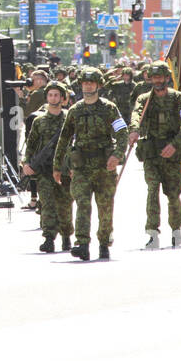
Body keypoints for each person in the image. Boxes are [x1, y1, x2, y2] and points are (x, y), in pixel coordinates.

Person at [53, 68, 127, 261]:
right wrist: (57, 166)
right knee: (82, 204)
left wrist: (117, 155)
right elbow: (64, 139)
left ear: (98, 85)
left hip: (104, 167)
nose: (87, 86)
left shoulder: (109, 108)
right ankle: (83, 244)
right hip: (81, 167)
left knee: (105, 207)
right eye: (85, 83)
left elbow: (122, 134)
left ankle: (104, 243)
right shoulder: (75, 110)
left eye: (91, 83)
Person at [128, 62, 181, 249]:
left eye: (160, 77)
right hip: (151, 153)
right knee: (152, 189)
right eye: (154, 77)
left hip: (171, 153)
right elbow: (136, 115)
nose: (157, 81)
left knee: (173, 193)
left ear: (166, 78)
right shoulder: (144, 99)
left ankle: (176, 229)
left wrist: (175, 144)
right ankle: (152, 232)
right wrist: (133, 130)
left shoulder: (178, 98)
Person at [23, 80, 70, 253]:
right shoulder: (39, 120)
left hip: (65, 169)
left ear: (63, 98)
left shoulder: (69, 118)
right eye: (50, 95)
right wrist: (27, 163)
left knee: (65, 204)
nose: (53, 98)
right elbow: (31, 144)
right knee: (48, 204)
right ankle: (49, 238)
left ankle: (66, 236)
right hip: (44, 169)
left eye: (57, 95)